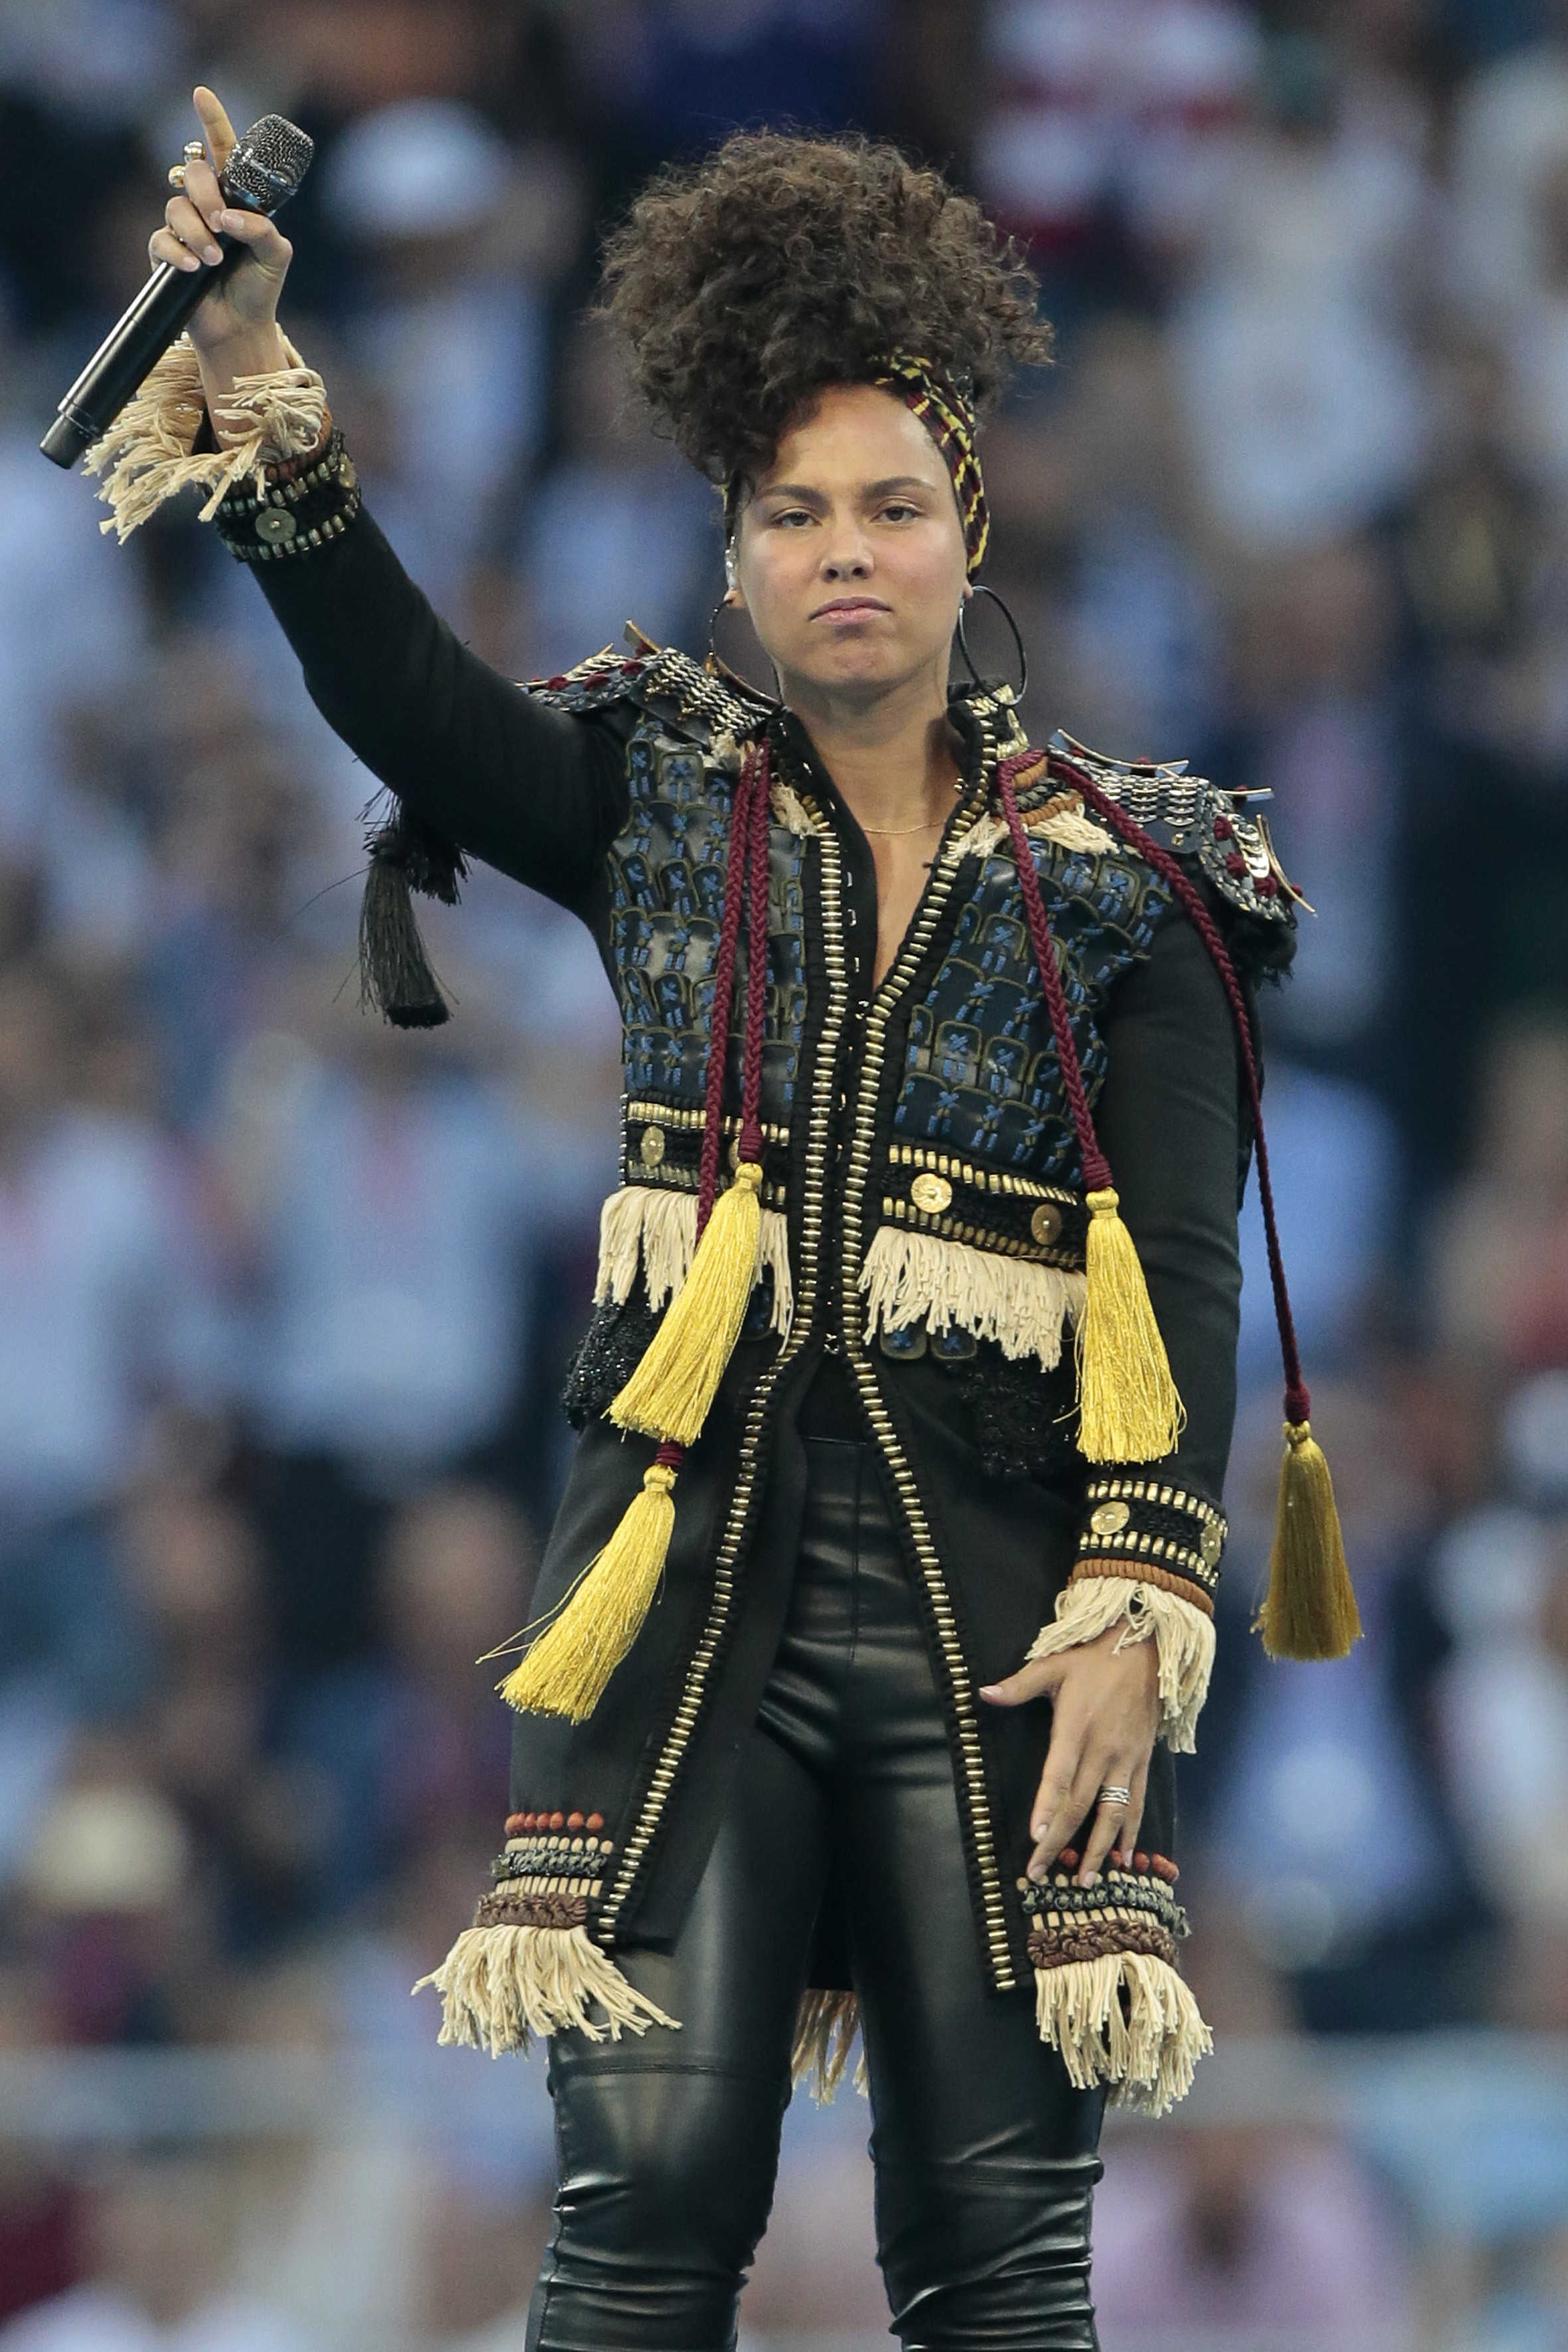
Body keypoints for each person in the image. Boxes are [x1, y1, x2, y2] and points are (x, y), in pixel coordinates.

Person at [87, 85, 1358, 2352]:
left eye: (888, 505)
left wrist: (1131, 1596)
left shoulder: (1143, 881)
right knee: (642, 2227)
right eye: (794, 513)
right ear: (735, 553)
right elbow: (398, 690)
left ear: (969, 535)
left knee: (997, 2263)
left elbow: (1167, 1274)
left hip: (1004, 1625)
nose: (843, 550)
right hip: (677, 1618)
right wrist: (266, 375)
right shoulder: (649, 781)